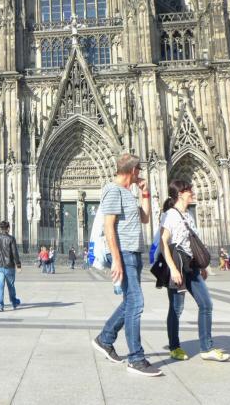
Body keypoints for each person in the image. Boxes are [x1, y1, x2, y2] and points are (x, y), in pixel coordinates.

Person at [91, 154, 159, 376]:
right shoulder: (112, 190)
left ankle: (105, 339)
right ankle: (136, 358)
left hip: (134, 253)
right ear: (132, 170)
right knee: (136, 303)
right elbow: (109, 227)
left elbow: (145, 218)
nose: (140, 174)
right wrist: (116, 260)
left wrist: (145, 193)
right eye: (139, 170)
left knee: (129, 302)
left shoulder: (128, 192)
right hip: (125, 254)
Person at [159, 180, 230, 363]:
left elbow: (193, 242)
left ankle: (206, 348)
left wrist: (203, 266)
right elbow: (163, 242)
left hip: (192, 266)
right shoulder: (169, 215)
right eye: (189, 190)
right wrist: (173, 269)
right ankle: (174, 347)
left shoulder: (189, 215)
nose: (193, 192)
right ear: (180, 194)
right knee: (176, 308)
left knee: (206, 304)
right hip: (177, 265)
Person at [0, 221, 21, 311]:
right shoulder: (11, 238)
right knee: (11, 285)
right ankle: (14, 302)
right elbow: (15, 252)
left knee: (0, 286)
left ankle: (0, 305)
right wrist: (18, 264)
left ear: (1, 228)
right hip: (9, 266)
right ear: (8, 228)